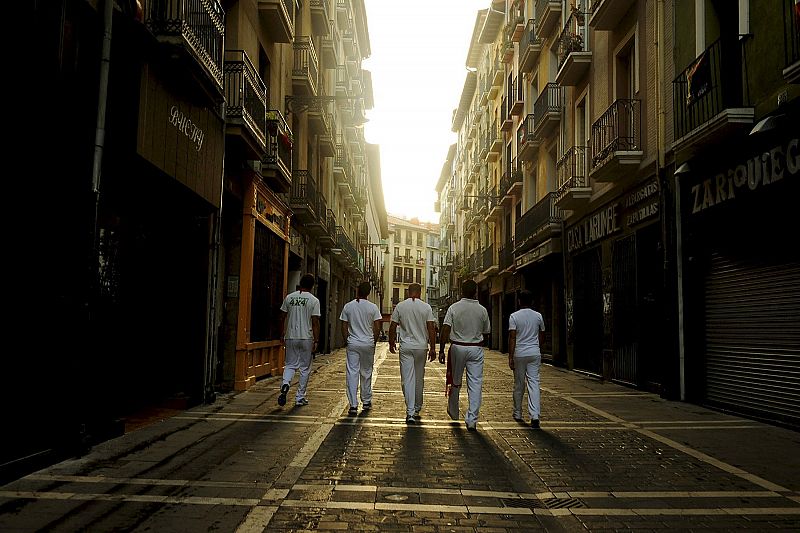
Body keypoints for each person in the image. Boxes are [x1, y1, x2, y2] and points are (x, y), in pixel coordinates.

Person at [439, 279, 490, 431]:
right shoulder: (482, 310)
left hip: (458, 348)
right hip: (476, 348)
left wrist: (442, 349)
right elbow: (486, 332)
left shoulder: (454, 308)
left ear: (461, 291)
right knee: (475, 384)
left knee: (455, 381)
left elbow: (446, 329)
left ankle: (454, 412)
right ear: (475, 292)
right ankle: (472, 419)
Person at [389, 283, 437, 424]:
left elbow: (392, 326)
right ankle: (417, 407)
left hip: (406, 347)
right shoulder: (426, 307)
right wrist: (433, 347)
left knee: (407, 379)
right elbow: (431, 328)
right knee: (419, 378)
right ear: (420, 292)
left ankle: (410, 411)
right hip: (421, 347)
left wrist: (391, 342)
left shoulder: (401, 306)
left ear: (408, 292)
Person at [340, 281, 383, 416]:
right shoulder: (373, 308)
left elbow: (344, 326)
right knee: (366, 372)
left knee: (352, 372)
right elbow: (377, 327)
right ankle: (366, 400)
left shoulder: (348, 306)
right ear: (369, 292)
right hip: (368, 343)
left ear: (357, 290)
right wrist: (373, 341)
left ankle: (353, 404)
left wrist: (347, 340)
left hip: (353, 343)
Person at [277, 273, 321, 407]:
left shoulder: (289, 298)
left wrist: (282, 333)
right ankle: (300, 397)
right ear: (312, 286)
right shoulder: (314, 300)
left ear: (300, 283)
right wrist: (316, 340)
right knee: (304, 368)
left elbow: (282, 317)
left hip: (290, 336)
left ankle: (285, 384)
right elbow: (315, 322)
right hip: (306, 337)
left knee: (290, 364)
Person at [508, 290, 546, 428]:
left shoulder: (514, 316)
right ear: (532, 302)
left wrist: (510, 356)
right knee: (534, 383)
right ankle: (535, 415)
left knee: (519, 384)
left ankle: (517, 413)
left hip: (519, 354)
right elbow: (542, 335)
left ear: (519, 301)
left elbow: (512, 337)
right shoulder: (538, 316)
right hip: (534, 353)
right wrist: (536, 346)